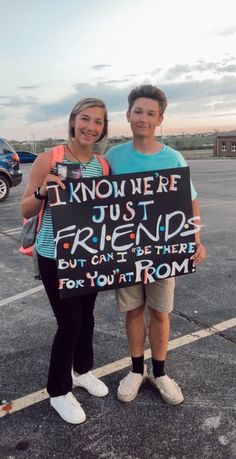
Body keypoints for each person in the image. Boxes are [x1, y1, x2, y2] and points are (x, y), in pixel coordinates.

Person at [105, 84, 206, 405]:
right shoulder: (113, 156)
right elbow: (96, 203)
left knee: (160, 312)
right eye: (138, 112)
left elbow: (190, 202)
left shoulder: (172, 157)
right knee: (133, 310)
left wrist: (195, 239)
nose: (143, 118)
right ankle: (136, 370)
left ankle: (160, 372)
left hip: (165, 249)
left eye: (151, 113)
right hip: (126, 251)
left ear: (160, 119)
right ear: (128, 115)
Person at [20, 98, 110, 424]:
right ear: (73, 120)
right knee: (69, 323)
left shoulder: (102, 166)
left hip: (90, 255)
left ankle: (82, 370)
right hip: (54, 255)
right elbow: (26, 210)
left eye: (98, 122)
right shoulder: (50, 158)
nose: (91, 127)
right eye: (85, 119)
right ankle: (58, 391)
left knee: (87, 318)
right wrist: (43, 190)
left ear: (104, 128)